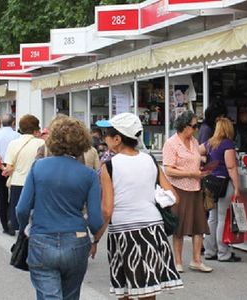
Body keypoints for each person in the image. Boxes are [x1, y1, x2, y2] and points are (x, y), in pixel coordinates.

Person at [96, 113, 184, 299]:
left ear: (117, 139)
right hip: (153, 228)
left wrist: (96, 238)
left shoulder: (109, 166)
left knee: (124, 290)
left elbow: (107, 209)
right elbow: (174, 197)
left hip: (123, 231)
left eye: (107, 133)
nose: (104, 137)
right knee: (149, 290)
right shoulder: (150, 160)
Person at [15, 116, 103, 300]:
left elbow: (22, 208)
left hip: (42, 237)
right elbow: (95, 219)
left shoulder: (38, 167)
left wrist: (24, 228)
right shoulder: (89, 175)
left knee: (49, 295)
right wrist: (94, 238)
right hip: (76, 239)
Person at [162, 111, 213, 273]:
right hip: (179, 188)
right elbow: (168, 170)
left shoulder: (194, 141)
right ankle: (177, 261)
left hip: (195, 187)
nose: (196, 129)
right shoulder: (171, 143)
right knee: (179, 227)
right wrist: (191, 173)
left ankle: (196, 260)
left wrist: (202, 169)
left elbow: (196, 160)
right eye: (194, 126)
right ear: (184, 127)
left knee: (199, 225)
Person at [200, 117, 242, 262]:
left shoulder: (210, 143)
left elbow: (197, 151)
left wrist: (206, 162)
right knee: (222, 218)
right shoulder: (227, 144)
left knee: (212, 218)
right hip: (223, 183)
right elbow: (231, 167)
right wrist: (237, 187)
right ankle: (223, 253)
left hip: (210, 183)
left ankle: (210, 251)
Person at [3, 114, 44, 231]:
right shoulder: (41, 143)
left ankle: (21, 235)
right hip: (36, 183)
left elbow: (9, 167)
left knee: (19, 213)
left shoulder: (13, 144)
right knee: (34, 214)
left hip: (17, 182)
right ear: (36, 129)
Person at [0, 114, 20, 236]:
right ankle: (11, 221)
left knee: (2, 195)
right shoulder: (17, 135)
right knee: (14, 195)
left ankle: (5, 225)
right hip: (13, 167)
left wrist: (1, 166)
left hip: (0, 166)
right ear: (13, 123)